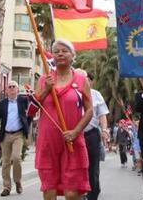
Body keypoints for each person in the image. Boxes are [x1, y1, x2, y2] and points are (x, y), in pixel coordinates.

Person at [34, 39, 94, 200]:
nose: (60, 54)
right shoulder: (44, 80)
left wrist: (76, 131)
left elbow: (89, 110)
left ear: (73, 56)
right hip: (48, 142)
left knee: (72, 192)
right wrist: (46, 90)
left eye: (65, 51)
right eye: (56, 51)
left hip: (72, 141)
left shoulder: (82, 80)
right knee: (49, 190)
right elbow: (32, 109)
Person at [0, 80, 31, 196]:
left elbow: (32, 108)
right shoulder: (2, 104)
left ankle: (18, 182)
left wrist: (27, 126)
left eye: (13, 87)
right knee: (6, 162)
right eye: (9, 87)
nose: (11, 88)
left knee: (16, 158)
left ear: (17, 90)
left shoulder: (23, 101)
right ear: (7, 90)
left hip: (18, 135)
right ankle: (6, 187)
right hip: (5, 135)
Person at [83, 72, 110, 200]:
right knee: (79, 166)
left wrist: (104, 130)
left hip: (92, 134)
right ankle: (81, 192)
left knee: (93, 166)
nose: (84, 82)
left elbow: (102, 115)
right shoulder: (73, 93)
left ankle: (93, 192)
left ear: (91, 82)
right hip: (75, 136)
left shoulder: (96, 95)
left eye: (87, 79)